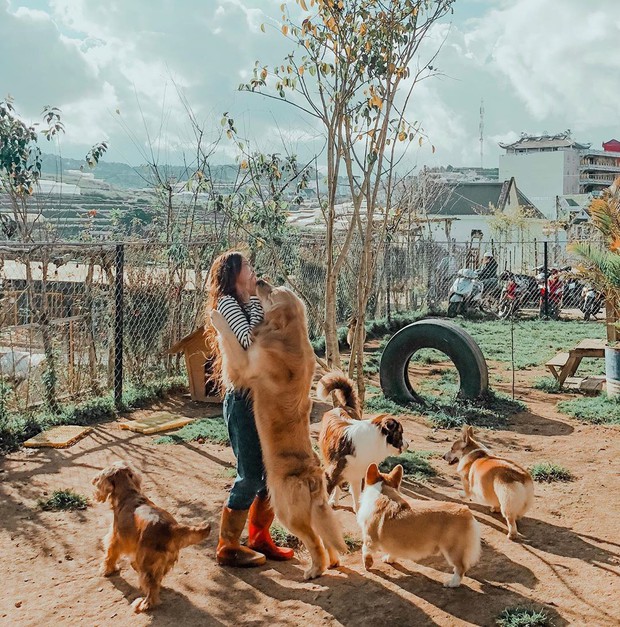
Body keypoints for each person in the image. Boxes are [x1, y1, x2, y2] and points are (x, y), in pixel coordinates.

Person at [205, 251, 294, 567]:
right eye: (248, 267)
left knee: (271, 471)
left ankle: (259, 537)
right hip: (243, 399)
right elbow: (250, 342)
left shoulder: (250, 301)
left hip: (263, 396)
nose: (254, 270)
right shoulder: (228, 303)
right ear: (233, 275)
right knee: (251, 474)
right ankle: (227, 546)